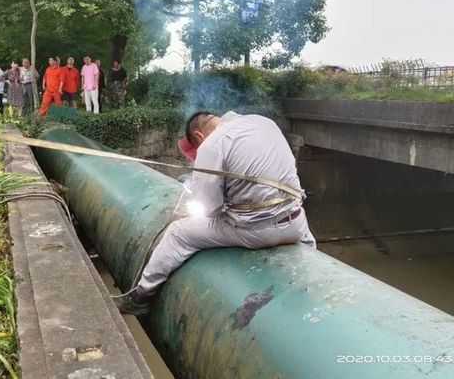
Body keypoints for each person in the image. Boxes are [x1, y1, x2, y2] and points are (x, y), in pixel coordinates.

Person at [116, 111, 316, 315]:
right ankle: (315, 274)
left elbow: (210, 208)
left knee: (178, 233)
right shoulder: (265, 122)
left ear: (199, 136)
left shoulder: (211, 145)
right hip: (296, 224)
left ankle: (140, 297)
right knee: (299, 220)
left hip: (256, 231)